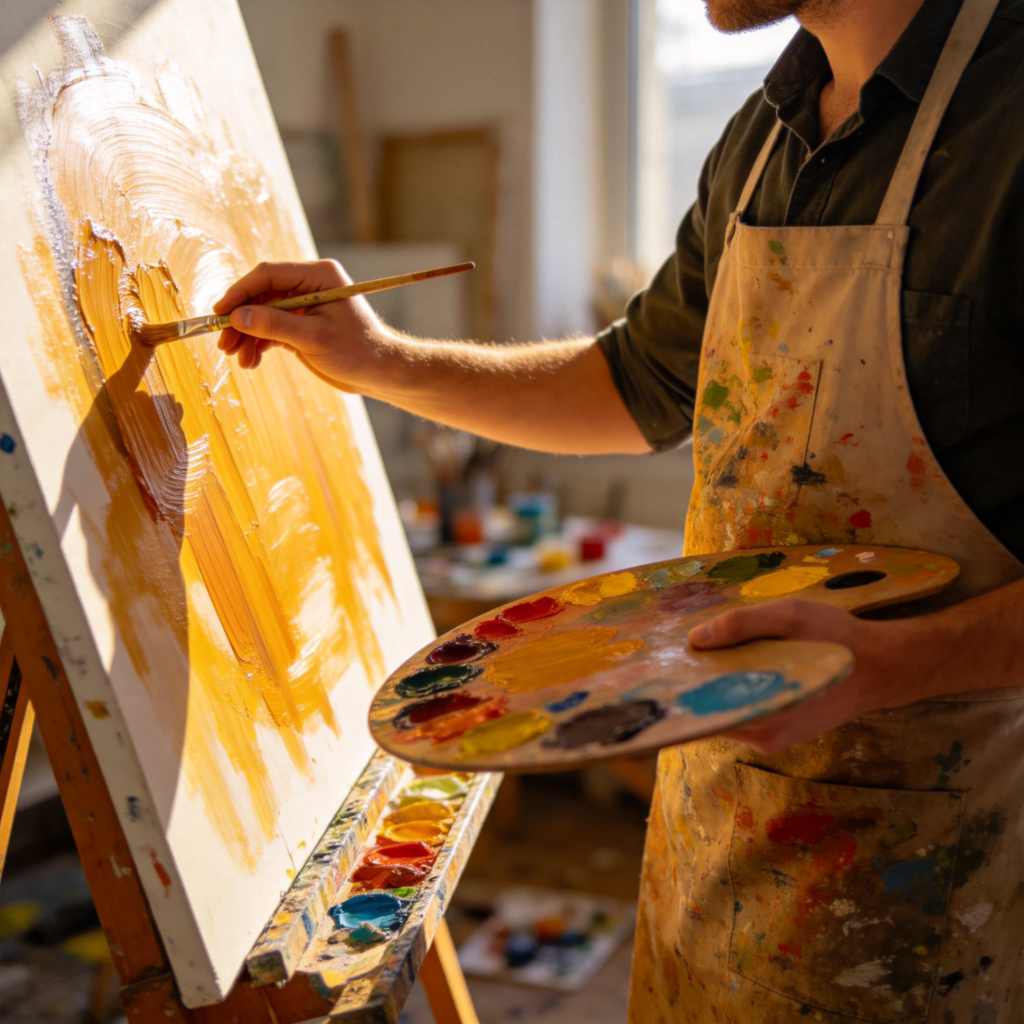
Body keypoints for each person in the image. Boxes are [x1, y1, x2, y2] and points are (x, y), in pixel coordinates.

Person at [215, 0, 1023, 1018]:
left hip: (948, 868)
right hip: (718, 819)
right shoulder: (763, 134)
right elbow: (632, 383)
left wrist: (895, 665)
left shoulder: (1007, 115)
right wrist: (379, 359)